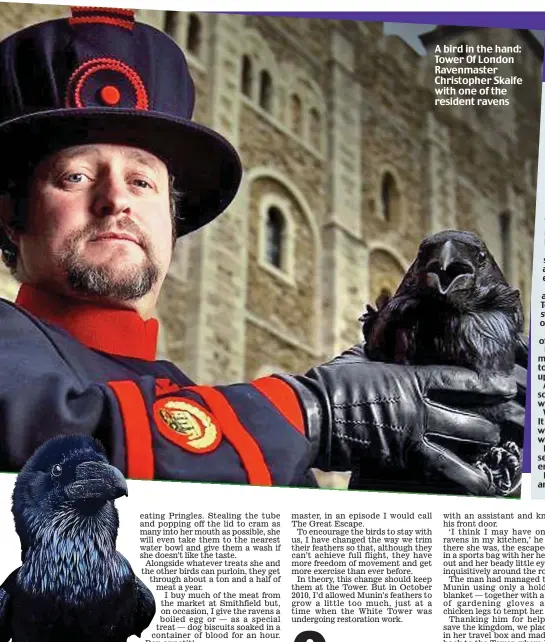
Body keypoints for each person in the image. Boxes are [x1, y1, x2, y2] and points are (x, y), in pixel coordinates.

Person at [0, 7, 524, 493]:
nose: (115, 199)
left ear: (172, 222)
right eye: (76, 176)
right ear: (11, 216)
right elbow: (66, 445)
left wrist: (409, 462)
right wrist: (315, 411)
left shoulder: (209, 407)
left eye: (142, 183)